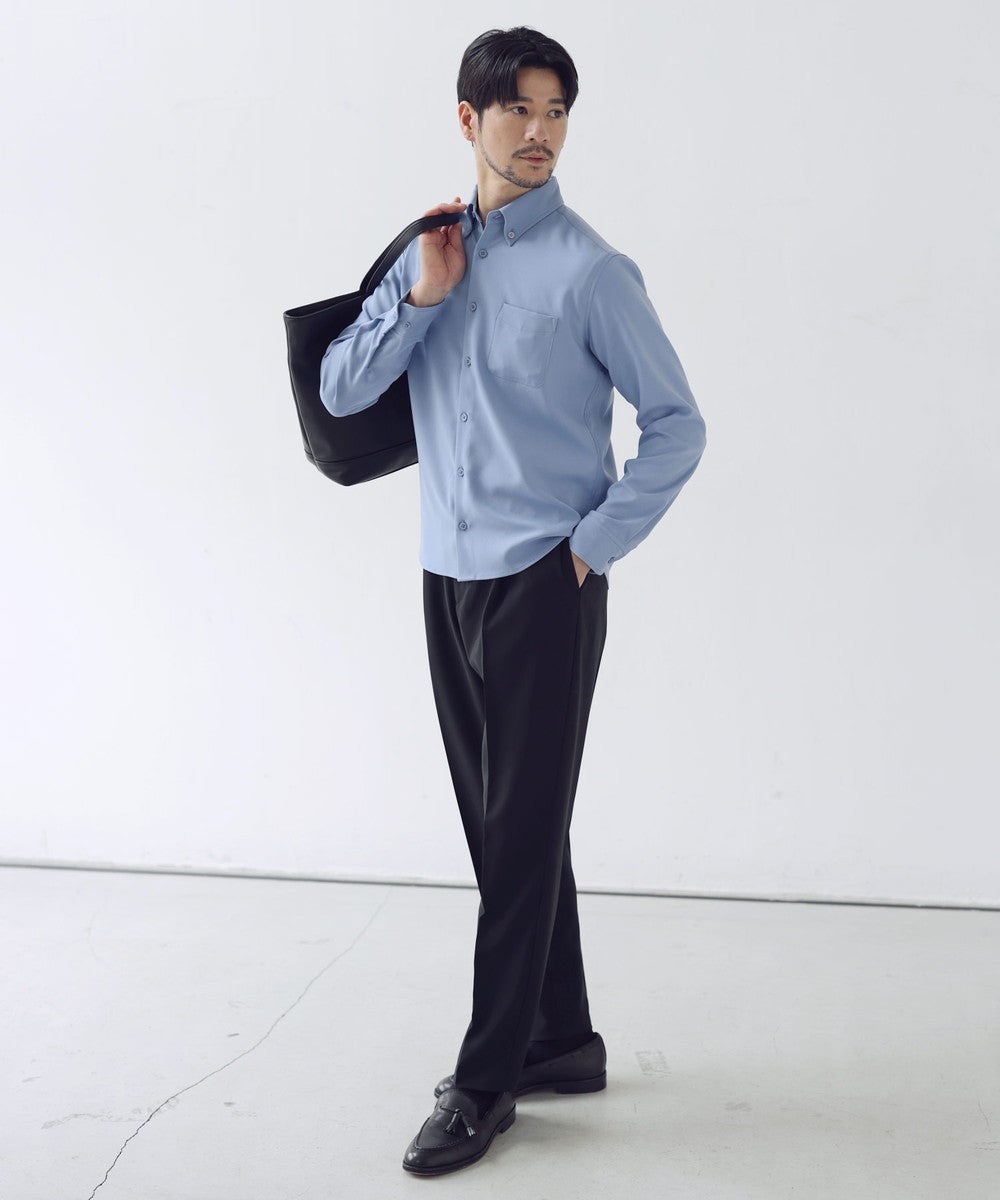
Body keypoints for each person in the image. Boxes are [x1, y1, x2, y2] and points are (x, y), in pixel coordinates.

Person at [318, 26, 707, 1176]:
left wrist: (592, 549)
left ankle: (486, 1081)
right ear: (468, 120)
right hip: (445, 575)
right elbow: (340, 389)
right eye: (518, 111)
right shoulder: (430, 251)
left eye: (556, 112)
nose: (540, 133)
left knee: (520, 834)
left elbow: (677, 425)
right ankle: (560, 1040)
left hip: (544, 581)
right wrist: (420, 299)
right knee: (508, 833)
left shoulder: (591, 271)